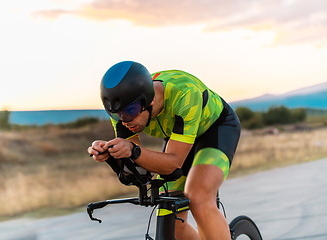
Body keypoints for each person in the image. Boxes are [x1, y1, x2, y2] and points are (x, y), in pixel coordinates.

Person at [88, 61, 241, 240]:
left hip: (215, 130)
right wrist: (112, 155)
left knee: (198, 197)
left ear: (150, 100)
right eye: (116, 114)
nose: (124, 120)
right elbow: (137, 170)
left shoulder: (185, 94)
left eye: (130, 111)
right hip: (178, 138)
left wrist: (133, 150)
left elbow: (172, 164)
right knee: (172, 219)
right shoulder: (123, 113)